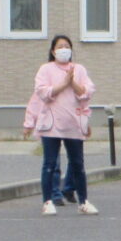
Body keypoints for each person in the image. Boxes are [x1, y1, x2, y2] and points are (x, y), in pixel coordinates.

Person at [23, 34, 98, 216]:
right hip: (51, 124)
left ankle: (83, 201)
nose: (64, 49)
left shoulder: (78, 69)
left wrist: (71, 81)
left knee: (78, 164)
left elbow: (86, 93)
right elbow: (41, 93)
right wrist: (29, 122)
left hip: (73, 123)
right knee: (49, 163)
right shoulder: (46, 69)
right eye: (60, 46)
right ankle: (48, 201)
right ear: (53, 51)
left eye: (67, 46)